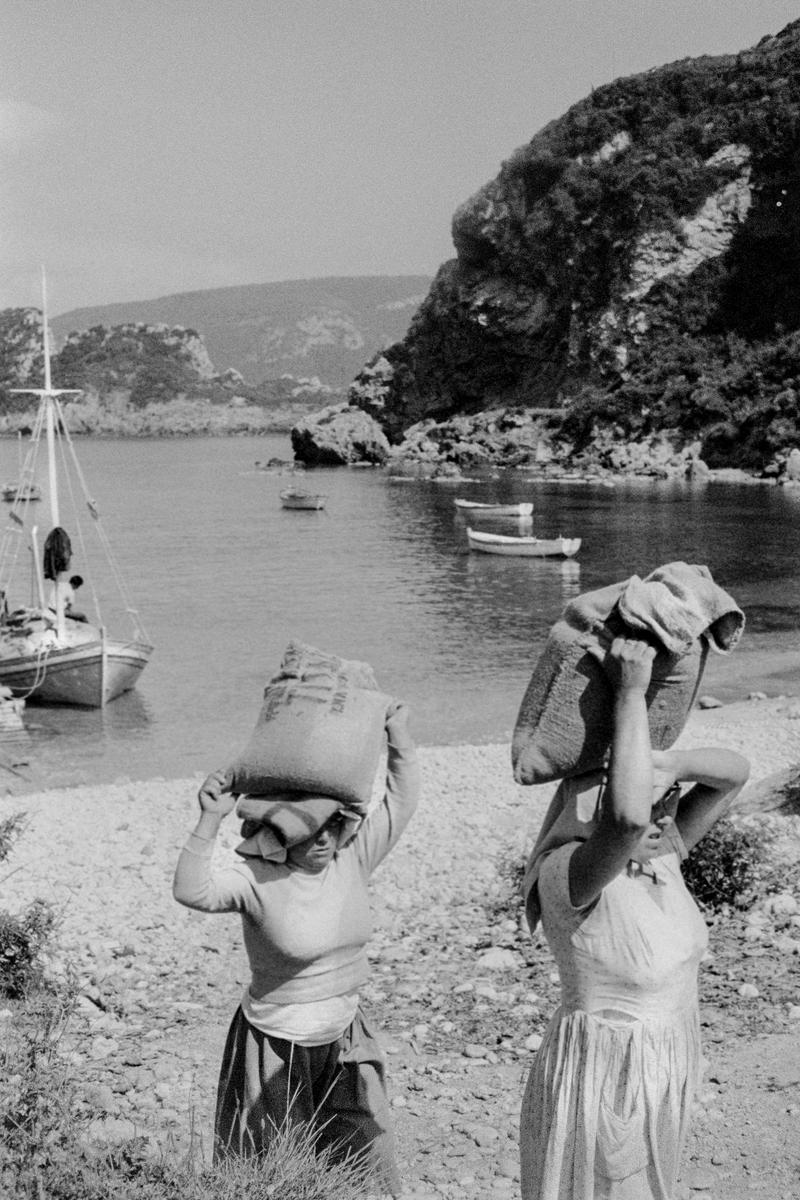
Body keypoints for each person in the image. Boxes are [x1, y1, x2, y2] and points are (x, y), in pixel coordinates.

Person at [519, 637, 750, 1200]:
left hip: (664, 1064)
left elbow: (736, 773)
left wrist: (667, 762)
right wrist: (629, 694)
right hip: (602, 1076)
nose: (663, 811)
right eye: (651, 799)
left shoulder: (663, 854)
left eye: (667, 798)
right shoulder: (568, 871)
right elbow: (621, 822)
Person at [172, 700, 420, 1196]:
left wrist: (398, 735)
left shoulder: (353, 859)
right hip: (274, 1042)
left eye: (333, 824)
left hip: (347, 1035)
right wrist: (209, 819)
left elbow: (401, 801)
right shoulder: (255, 877)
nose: (326, 838)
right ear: (283, 829)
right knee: (272, 1174)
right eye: (311, 827)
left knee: (363, 1163)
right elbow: (191, 891)